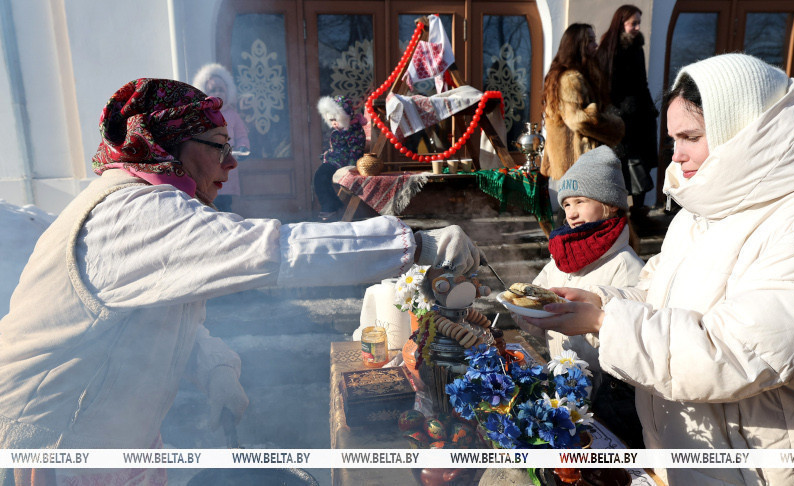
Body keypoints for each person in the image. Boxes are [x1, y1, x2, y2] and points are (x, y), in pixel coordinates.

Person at [0, 78, 484, 486]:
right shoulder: (134, 211)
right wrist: (415, 245)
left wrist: (214, 368)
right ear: (171, 149)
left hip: (119, 444)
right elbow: (276, 251)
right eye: (220, 148)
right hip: (52, 453)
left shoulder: (143, 207)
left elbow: (147, 321)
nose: (232, 164)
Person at [525, 53, 794, 485]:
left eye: (691, 137)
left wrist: (604, 321)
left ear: (742, 130)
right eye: (673, 139)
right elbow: (657, 295)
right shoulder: (704, 207)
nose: (677, 156)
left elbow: (739, 352)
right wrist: (599, 300)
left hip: (770, 466)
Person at [512, 146, 645, 448]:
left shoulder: (626, 266)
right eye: (567, 204)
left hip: (608, 398)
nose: (571, 213)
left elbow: (629, 334)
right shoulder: (561, 258)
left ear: (610, 205)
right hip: (562, 385)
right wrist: (524, 314)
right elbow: (540, 307)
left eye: (581, 202)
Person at [597, 5, 659, 225]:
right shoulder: (607, 50)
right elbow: (603, 89)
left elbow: (642, 83)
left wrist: (650, 108)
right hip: (618, 121)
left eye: (638, 22)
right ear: (621, 22)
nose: (637, 27)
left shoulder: (637, 47)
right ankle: (618, 216)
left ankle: (639, 214)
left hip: (640, 118)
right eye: (633, 23)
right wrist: (617, 114)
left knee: (640, 165)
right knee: (620, 167)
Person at [540, 23, 624, 183]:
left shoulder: (584, 74)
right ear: (579, 46)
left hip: (577, 162)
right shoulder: (570, 79)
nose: (596, 44)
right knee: (578, 207)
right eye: (591, 41)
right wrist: (614, 125)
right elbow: (578, 120)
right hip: (576, 161)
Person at [192, 63, 251, 213]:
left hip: (226, 163)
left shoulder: (233, 115)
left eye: (221, 90)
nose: (218, 93)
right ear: (205, 93)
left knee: (226, 202)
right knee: (207, 198)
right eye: (213, 90)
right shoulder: (202, 115)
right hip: (208, 163)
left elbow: (242, 135)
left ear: (228, 92)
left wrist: (243, 147)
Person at [314, 95, 367, 221]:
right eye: (331, 120)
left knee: (321, 177)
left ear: (345, 117)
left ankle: (330, 207)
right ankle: (331, 205)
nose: (334, 124)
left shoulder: (354, 131)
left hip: (343, 162)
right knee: (319, 177)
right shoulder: (340, 130)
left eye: (336, 120)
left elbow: (356, 150)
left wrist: (351, 168)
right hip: (335, 160)